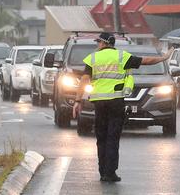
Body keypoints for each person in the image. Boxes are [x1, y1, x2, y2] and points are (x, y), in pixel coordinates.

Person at [72, 32, 173, 182]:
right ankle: (110, 173)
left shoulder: (93, 58)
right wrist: (163, 58)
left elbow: (84, 80)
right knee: (113, 137)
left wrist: (78, 101)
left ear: (105, 43)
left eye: (99, 42)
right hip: (116, 102)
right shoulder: (121, 56)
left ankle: (102, 172)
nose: (97, 45)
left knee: (101, 137)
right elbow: (146, 61)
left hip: (99, 103)